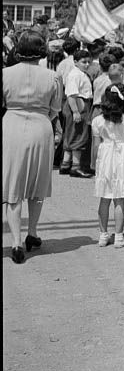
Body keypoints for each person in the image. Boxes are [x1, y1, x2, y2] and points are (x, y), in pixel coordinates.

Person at [2, 31, 63, 264]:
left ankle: (15, 242)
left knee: (13, 184)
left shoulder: (5, 74)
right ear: (41, 50)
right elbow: (55, 108)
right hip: (40, 125)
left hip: (12, 125)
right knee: (38, 182)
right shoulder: (53, 76)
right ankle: (32, 233)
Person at [92, 84, 124, 248]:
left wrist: (94, 164)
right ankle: (119, 236)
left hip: (106, 156)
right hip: (123, 156)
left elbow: (96, 145)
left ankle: (103, 235)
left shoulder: (98, 121)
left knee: (104, 198)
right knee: (119, 199)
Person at [61, 49, 94, 177]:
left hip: (80, 104)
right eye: (83, 62)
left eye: (88, 62)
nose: (86, 64)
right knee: (78, 134)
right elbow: (71, 95)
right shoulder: (75, 75)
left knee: (71, 133)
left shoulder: (81, 73)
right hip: (78, 104)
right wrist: (75, 112)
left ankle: (65, 164)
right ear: (75, 62)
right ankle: (75, 166)